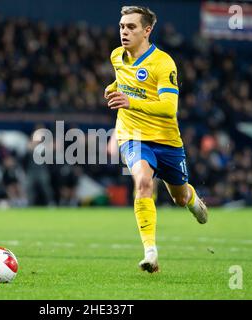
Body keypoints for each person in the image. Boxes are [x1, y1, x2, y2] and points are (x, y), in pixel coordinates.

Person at [104, 6, 208, 273]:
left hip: (166, 140)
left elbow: (168, 107)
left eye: (131, 27)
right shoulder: (117, 56)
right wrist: (114, 88)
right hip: (133, 136)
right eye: (121, 27)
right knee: (142, 181)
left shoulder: (163, 63)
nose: (124, 32)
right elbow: (123, 80)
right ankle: (150, 253)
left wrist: (130, 101)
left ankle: (193, 199)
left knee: (180, 198)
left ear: (147, 31)